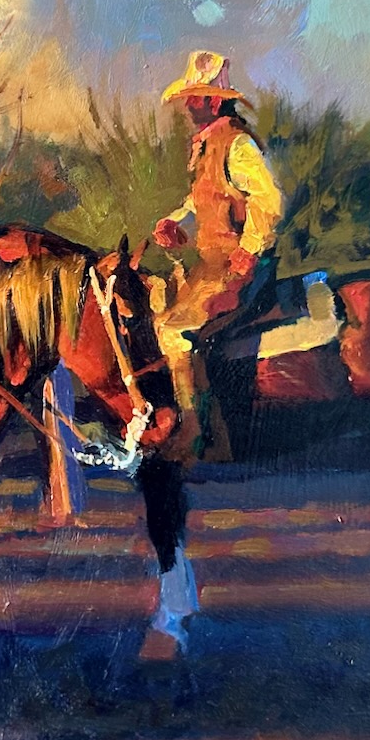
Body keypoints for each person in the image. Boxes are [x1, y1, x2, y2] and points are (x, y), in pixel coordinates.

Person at [153, 50, 284, 457]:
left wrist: (249, 250)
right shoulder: (206, 145)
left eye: (194, 98)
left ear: (213, 102)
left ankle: (192, 431)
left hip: (238, 268)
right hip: (211, 267)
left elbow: (268, 201)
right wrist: (174, 220)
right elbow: (202, 201)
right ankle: (214, 434)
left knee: (173, 331)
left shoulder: (238, 145)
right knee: (159, 313)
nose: (188, 106)